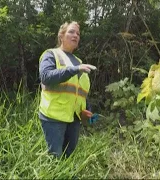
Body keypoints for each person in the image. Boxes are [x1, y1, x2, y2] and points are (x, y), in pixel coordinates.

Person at [38, 21, 96, 158]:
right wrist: (74, 69)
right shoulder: (51, 54)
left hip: (74, 119)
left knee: (68, 157)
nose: (75, 35)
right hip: (53, 117)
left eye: (78, 33)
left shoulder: (79, 62)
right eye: (71, 32)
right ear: (61, 36)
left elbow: (80, 92)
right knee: (55, 157)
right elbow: (46, 77)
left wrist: (88, 110)